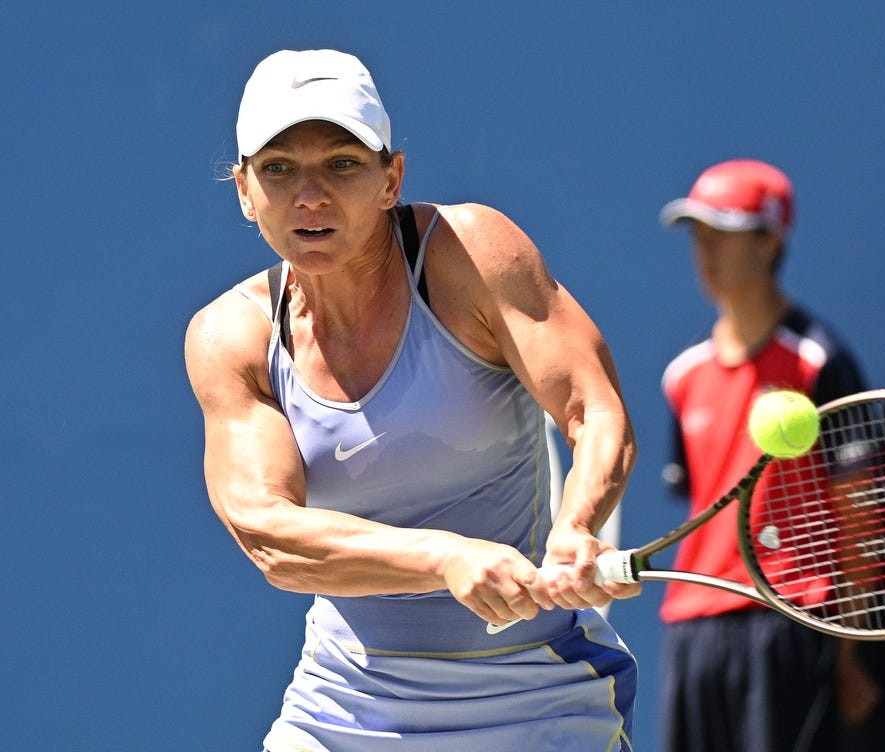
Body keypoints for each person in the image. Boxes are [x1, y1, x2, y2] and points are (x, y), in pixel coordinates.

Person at [184, 49, 639, 752]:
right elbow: (269, 535)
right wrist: (445, 558)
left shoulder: (473, 254)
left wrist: (578, 524)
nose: (310, 195)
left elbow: (593, 410)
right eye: (278, 169)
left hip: (537, 694)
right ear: (244, 190)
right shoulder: (231, 337)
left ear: (390, 178)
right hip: (340, 705)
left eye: (341, 163)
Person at [655, 159, 867, 752]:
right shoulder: (683, 374)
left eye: (723, 234)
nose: (706, 251)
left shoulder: (819, 361)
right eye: (698, 235)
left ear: (771, 241)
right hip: (693, 627)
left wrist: (850, 652)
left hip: (789, 618)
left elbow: (858, 516)